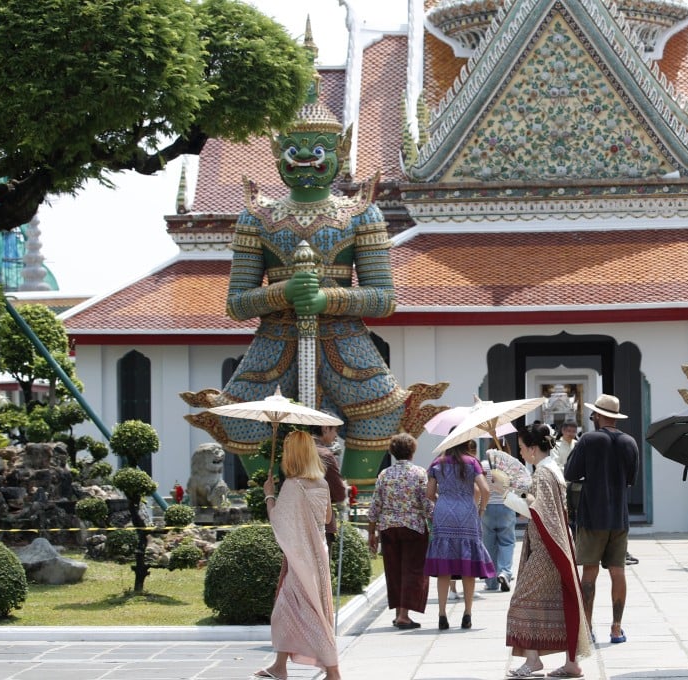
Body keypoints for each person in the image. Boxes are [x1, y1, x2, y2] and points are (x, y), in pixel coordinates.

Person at [181, 35, 442, 487]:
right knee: (240, 419)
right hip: (277, 337)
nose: (305, 160)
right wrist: (283, 292)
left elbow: (384, 299)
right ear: (277, 154)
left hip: (344, 338)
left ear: (339, 152)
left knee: (380, 417)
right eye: (294, 152)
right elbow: (237, 302)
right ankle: (267, 504)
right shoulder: (257, 217)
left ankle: (353, 506)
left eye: (318, 151)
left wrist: (326, 298)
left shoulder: (361, 212)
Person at [492, 422, 591, 678]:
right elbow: (541, 507)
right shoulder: (551, 470)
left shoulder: (543, 474)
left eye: (523, 448)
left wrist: (505, 494)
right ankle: (570, 664)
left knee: (522, 601)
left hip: (548, 547)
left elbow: (538, 513)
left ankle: (535, 660)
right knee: (556, 602)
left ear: (534, 449)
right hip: (553, 542)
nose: (521, 453)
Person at [258, 431, 340, 680]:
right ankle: (279, 666)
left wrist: (269, 494)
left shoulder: (293, 486)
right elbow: (327, 519)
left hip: (302, 559)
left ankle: (334, 672)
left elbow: (279, 521)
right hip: (317, 556)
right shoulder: (322, 483)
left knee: (308, 613)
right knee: (289, 610)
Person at [563, 394, 638, 645]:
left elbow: (571, 473)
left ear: (598, 415)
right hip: (619, 516)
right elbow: (630, 480)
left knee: (590, 572)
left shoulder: (589, 439)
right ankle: (616, 628)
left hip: (592, 515)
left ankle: (587, 626)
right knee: (618, 571)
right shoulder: (630, 442)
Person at [424, 440, 496, 630]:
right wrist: (481, 508)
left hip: (444, 512)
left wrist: (444, 499)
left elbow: (429, 494)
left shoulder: (437, 463)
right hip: (467, 512)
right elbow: (485, 490)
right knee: (468, 565)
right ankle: (467, 613)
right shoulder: (472, 462)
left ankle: (441, 614)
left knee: (444, 566)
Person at [367, 433, 434, 630]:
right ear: (412, 451)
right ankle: (404, 615)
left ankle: (398, 613)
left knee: (394, 570)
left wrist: (372, 532)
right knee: (412, 570)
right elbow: (426, 503)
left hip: (388, 528)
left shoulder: (384, 475)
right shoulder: (419, 473)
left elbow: (375, 505)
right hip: (413, 527)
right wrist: (435, 519)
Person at [481, 439, 530, 593]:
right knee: (507, 542)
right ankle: (505, 573)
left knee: (488, 544)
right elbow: (518, 489)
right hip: (506, 505)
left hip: (487, 507)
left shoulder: (483, 465)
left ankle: (491, 581)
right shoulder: (510, 467)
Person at [313, 424, 348, 544]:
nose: (336, 435)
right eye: (335, 430)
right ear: (325, 428)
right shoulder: (324, 455)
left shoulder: (295, 452)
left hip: (295, 520)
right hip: (320, 519)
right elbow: (340, 494)